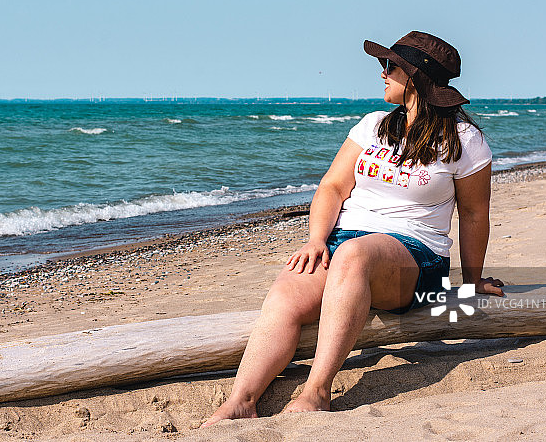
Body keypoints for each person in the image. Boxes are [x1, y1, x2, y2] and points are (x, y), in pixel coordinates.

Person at [203, 31, 505, 426]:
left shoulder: (465, 141)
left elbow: (474, 214)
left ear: (416, 78)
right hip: (344, 243)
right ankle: (241, 401)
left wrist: (473, 279)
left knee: (354, 255)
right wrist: (315, 239)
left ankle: (317, 392)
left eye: (391, 66)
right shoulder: (373, 125)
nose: (383, 73)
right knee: (284, 298)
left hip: (415, 255)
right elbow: (332, 186)